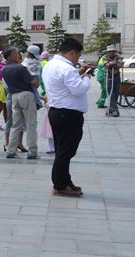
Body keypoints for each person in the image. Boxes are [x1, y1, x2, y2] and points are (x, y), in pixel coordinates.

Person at [42, 37, 91, 197]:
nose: (78, 59)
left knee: (62, 149)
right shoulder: (66, 68)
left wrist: (79, 72)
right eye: (78, 55)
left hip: (57, 112)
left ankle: (64, 180)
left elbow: (63, 82)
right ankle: (60, 185)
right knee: (66, 151)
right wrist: (86, 78)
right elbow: (78, 89)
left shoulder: (50, 65)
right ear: (72, 53)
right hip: (68, 114)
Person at [2, 46, 39, 159]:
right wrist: (37, 78)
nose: (20, 55)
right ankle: (32, 150)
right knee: (30, 123)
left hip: (14, 96)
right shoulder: (20, 68)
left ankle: (11, 150)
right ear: (11, 56)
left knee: (16, 125)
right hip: (26, 95)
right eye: (17, 53)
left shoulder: (4, 69)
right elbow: (34, 83)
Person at [103, 45, 123, 117]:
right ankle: (114, 110)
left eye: (112, 51)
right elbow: (105, 65)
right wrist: (114, 63)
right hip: (108, 76)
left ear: (114, 52)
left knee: (116, 92)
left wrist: (112, 63)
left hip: (116, 76)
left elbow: (120, 64)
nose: (110, 53)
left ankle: (110, 109)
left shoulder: (118, 56)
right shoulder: (105, 57)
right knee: (110, 93)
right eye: (109, 52)